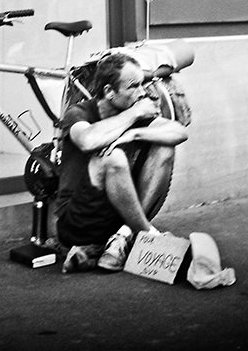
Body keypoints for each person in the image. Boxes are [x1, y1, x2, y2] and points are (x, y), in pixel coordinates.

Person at [53, 51, 189, 273]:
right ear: (109, 91)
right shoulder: (78, 113)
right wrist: (134, 115)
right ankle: (148, 236)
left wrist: (135, 134)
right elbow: (88, 141)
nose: (142, 92)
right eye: (133, 87)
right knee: (112, 157)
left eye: (141, 85)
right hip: (76, 221)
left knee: (164, 146)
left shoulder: (132, 112)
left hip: (116, 216)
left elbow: (179, 132)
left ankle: (120, 238)